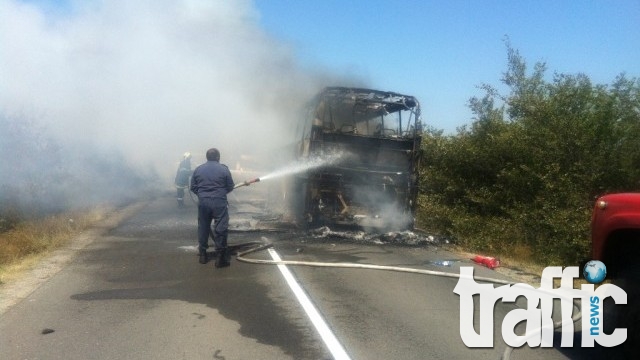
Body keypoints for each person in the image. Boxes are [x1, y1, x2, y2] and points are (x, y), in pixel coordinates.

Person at [190, 148, 235, 267]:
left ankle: (203, 255)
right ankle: (220, 258)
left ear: (206, 157)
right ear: (218, 157)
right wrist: (220, 192)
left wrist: (202, 195)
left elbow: (193, 187)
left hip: (203, 202)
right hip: (219, 202)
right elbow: (230, 186)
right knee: (221, 227)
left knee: (203, 227)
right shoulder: (224, 169)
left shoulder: (198, 169)